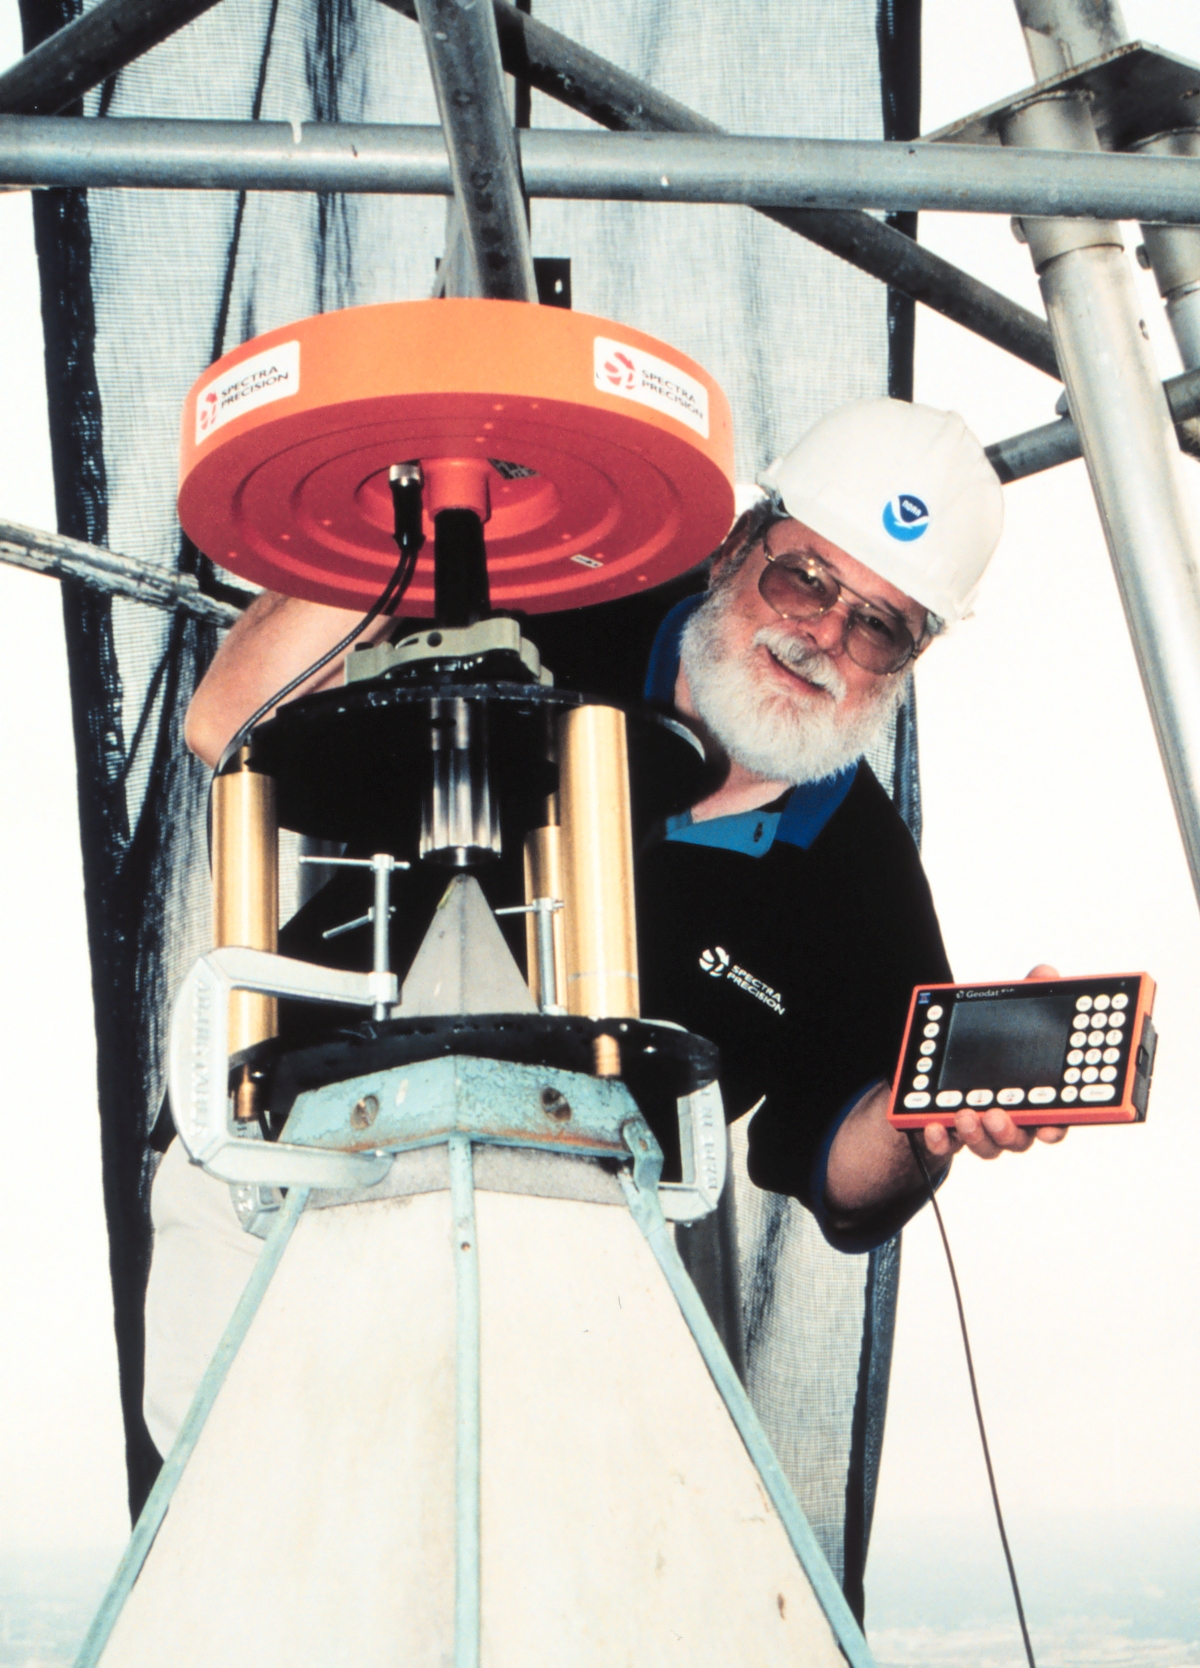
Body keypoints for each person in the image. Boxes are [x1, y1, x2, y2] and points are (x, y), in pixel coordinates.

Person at [149, 399, 1064, 1452]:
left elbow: (840, 1177)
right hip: (282, 1175)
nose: (821, 632)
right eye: (803, 576)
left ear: (909, 660)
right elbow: (228, 720)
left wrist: (926, 1127)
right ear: (735, 546)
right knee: (250, 1552)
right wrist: (424, 508)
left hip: (565, 1257)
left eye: (878, 623)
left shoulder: (863, 881)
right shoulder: (561, 592)